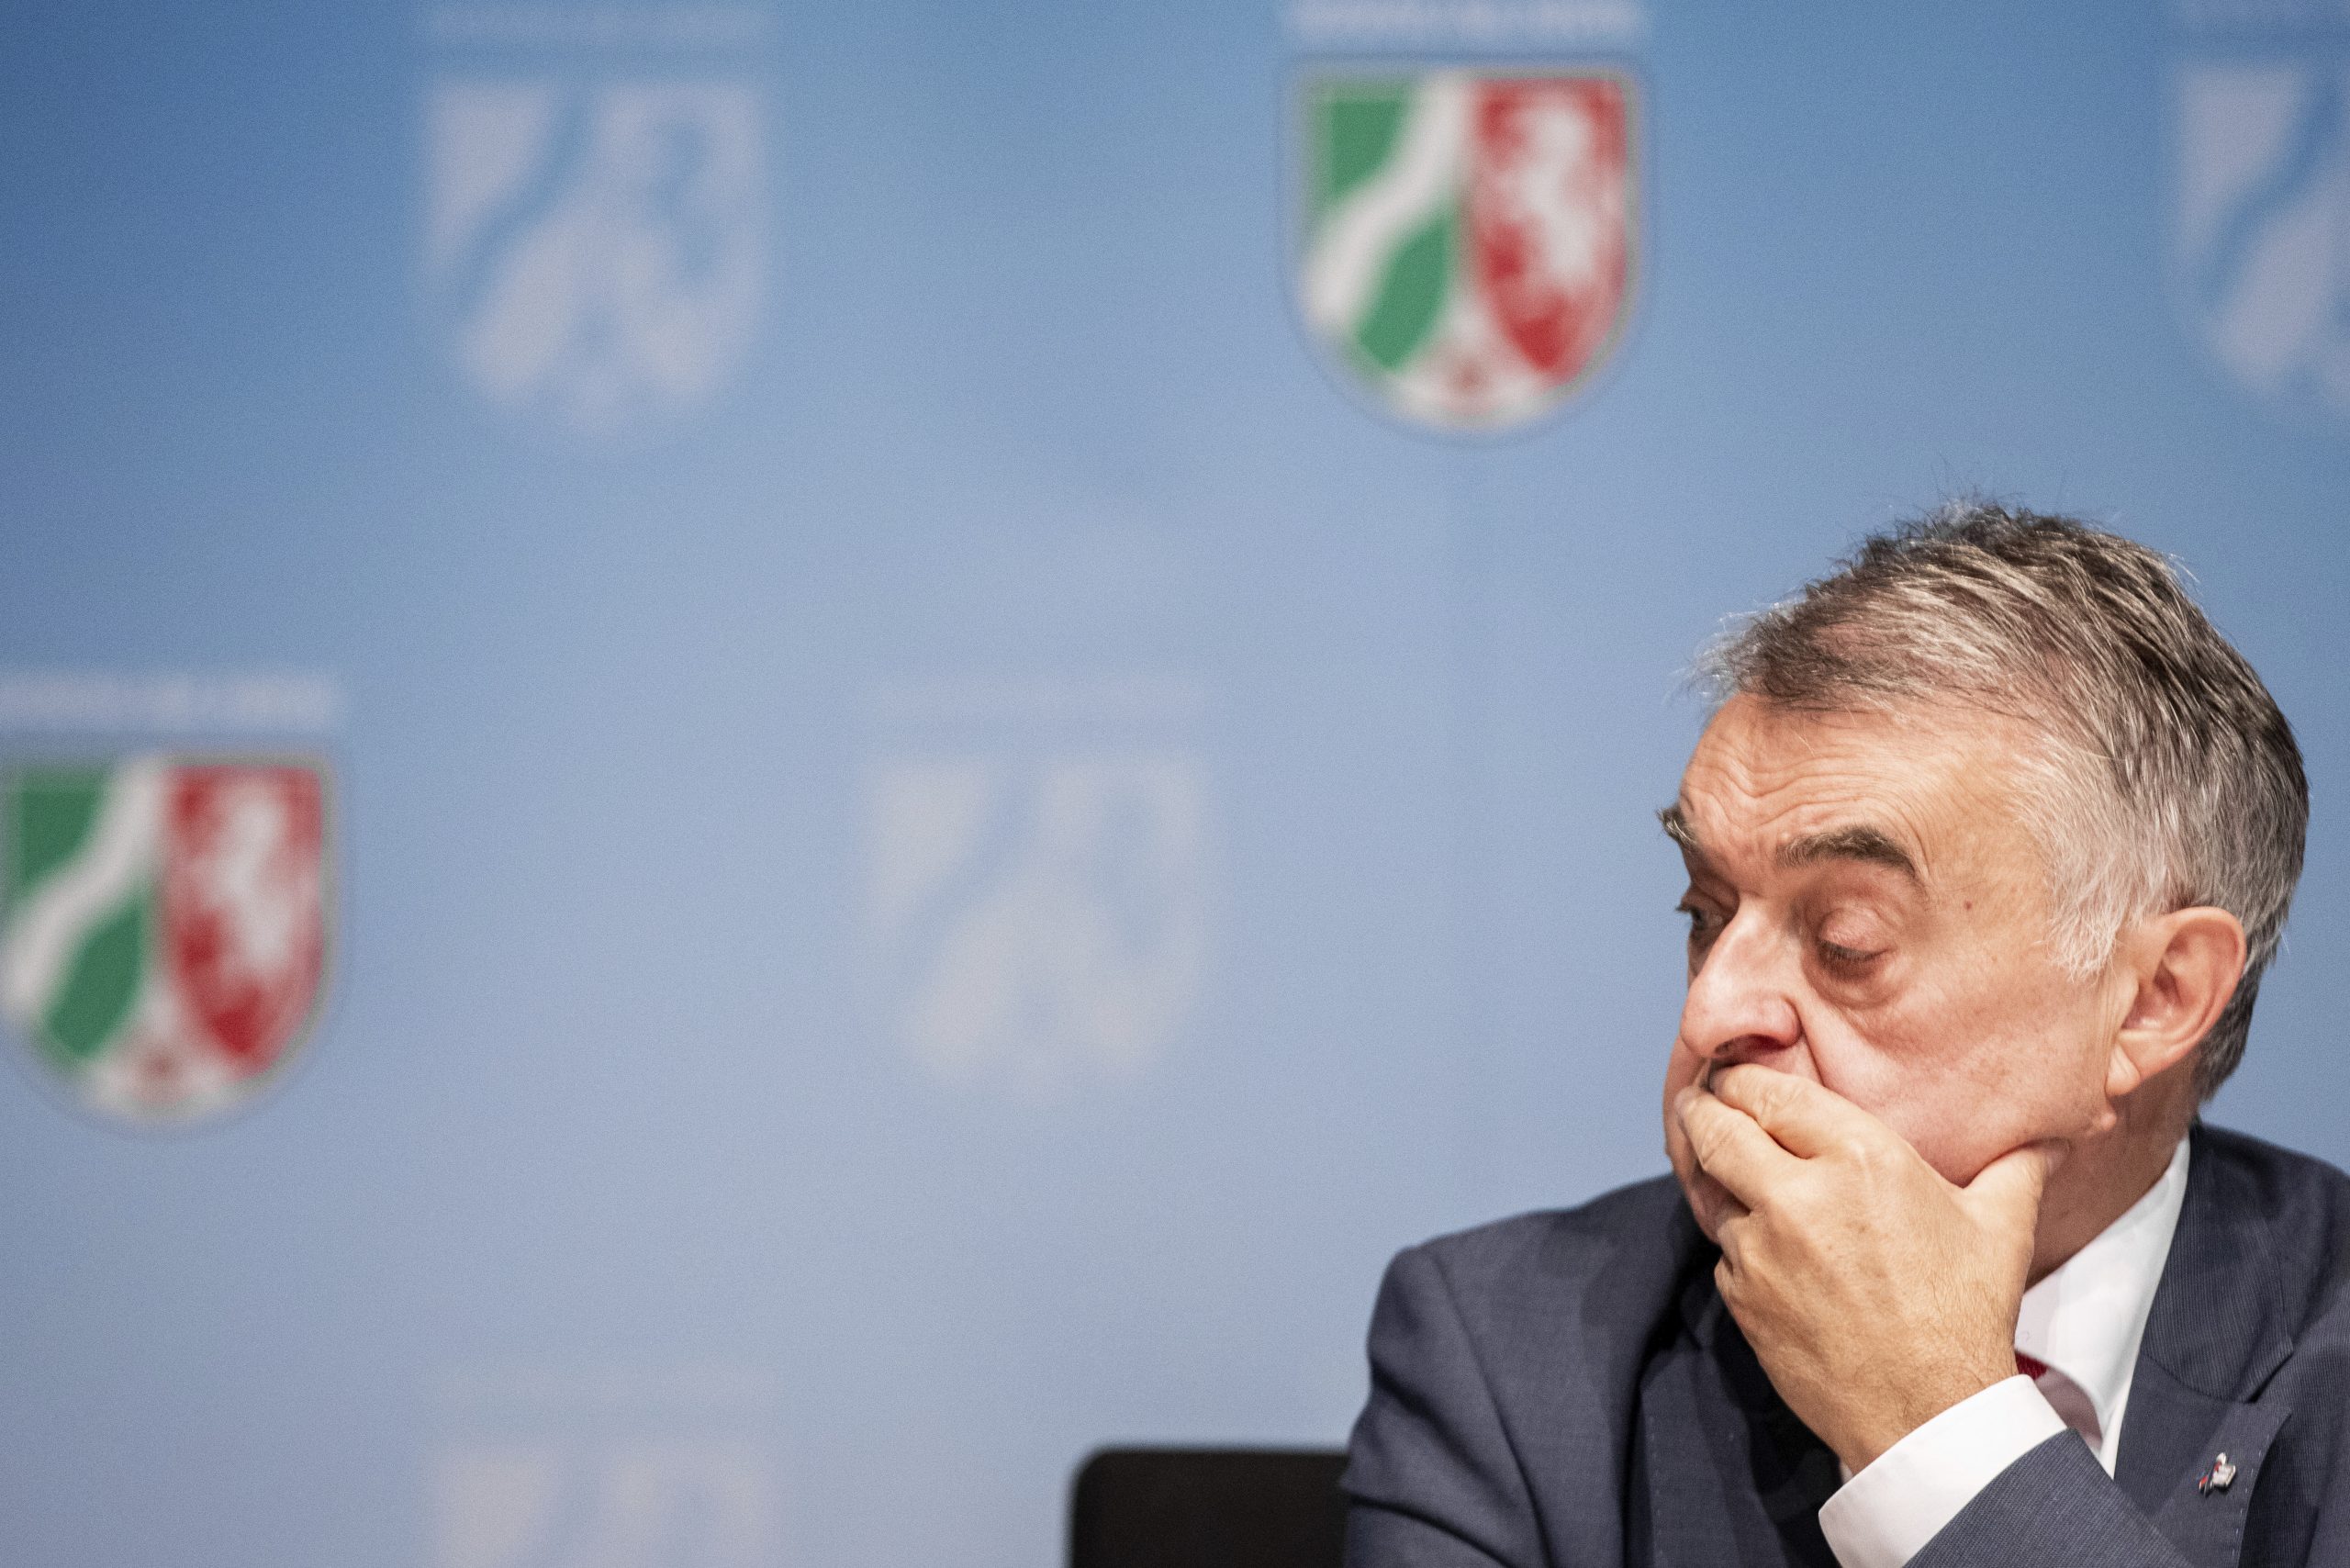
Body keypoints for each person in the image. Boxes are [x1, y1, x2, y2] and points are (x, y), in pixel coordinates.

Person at [1342, 503, 2350, 1568]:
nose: (1711, 1011)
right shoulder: (1505, 1356)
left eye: (1845, 941)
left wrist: (1941, 1425)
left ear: (2153, 997)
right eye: (1704, 912)